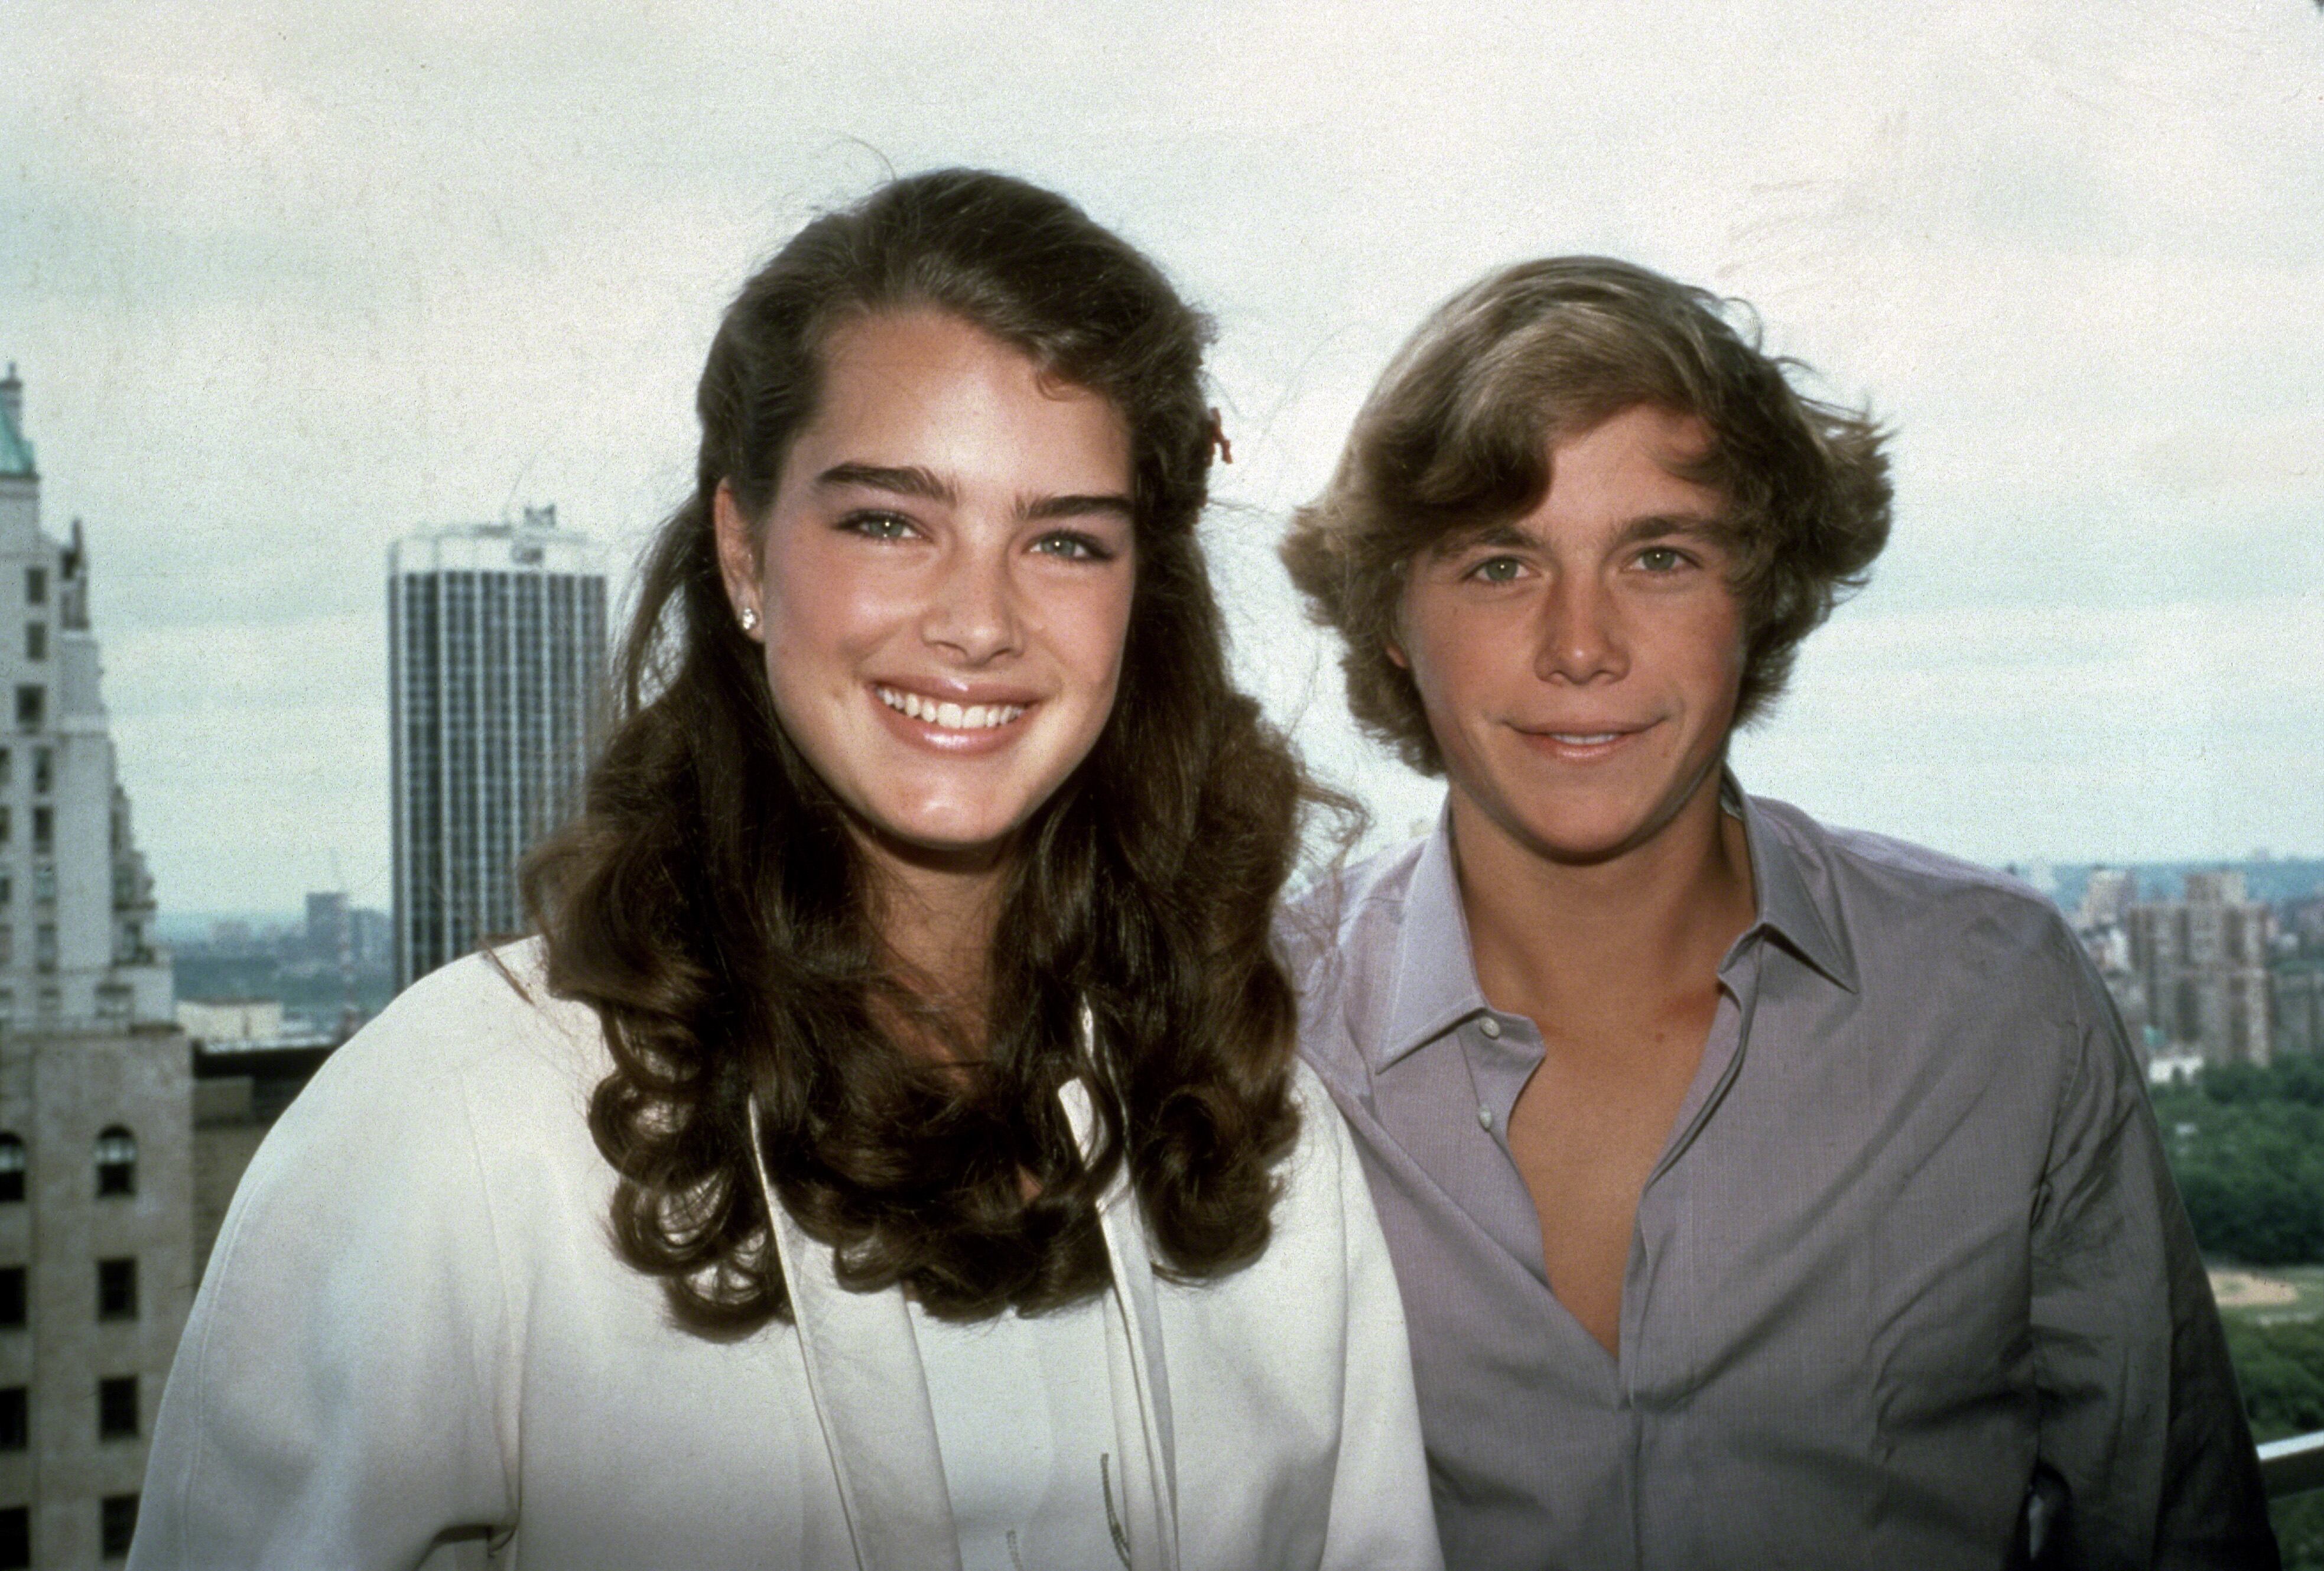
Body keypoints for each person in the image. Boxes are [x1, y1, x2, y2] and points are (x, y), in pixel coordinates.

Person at [132, 170, 1441, 1571]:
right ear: (744, 551)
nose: (978, 621)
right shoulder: (456, 1128)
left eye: (1062, 539)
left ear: (1138, 596)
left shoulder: (1248, 1119)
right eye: (889, 520)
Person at [1278, 256, 2275, 1569]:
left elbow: (2168, 1529)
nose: (1582, 644)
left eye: (1659, 555)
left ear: (1760, 595)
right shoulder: (1249, 1022)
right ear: (1391, 619)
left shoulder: (1993, 1001)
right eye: (1498, 563)